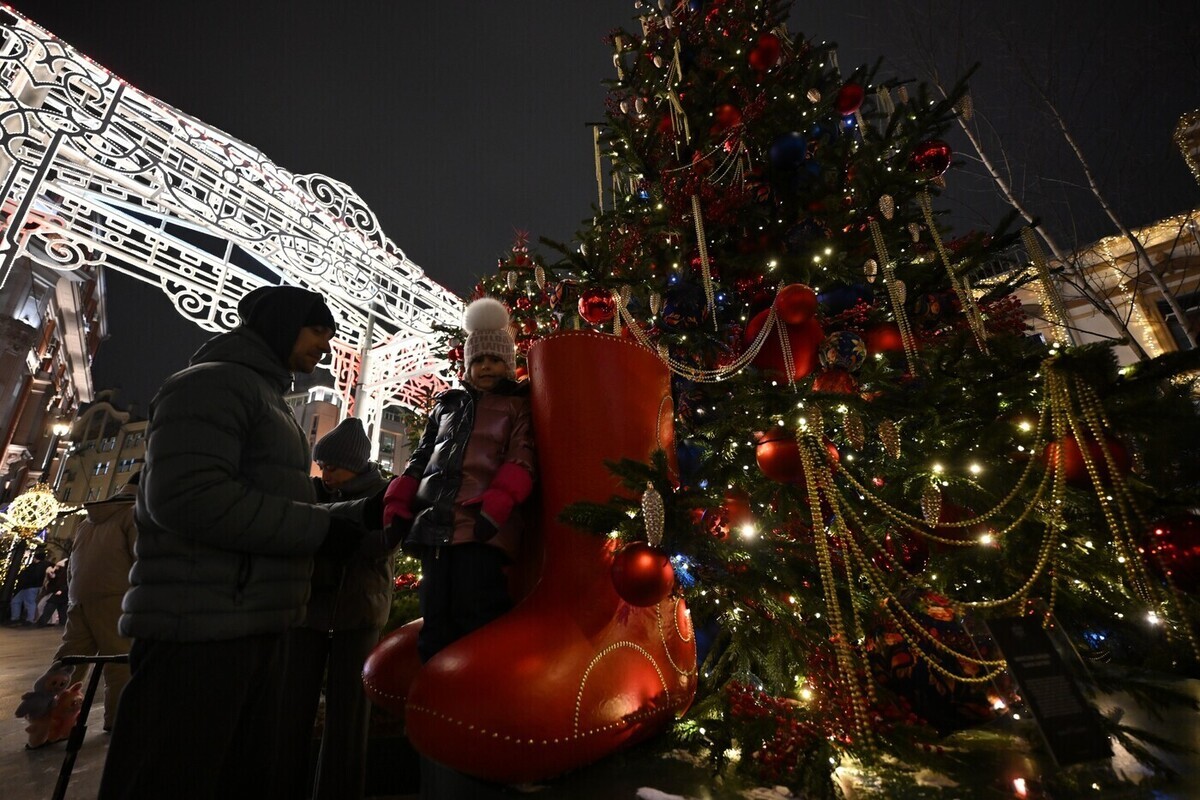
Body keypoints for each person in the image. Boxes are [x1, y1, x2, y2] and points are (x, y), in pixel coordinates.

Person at [98, 285, 384, 800]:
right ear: (281, 323)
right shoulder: (213, 385)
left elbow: (268, 502)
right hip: (199, 629)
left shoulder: (264, 397)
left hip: (248, 620)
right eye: (318, 330)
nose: (327, 345)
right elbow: (190, 499)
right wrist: (323, 529)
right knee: (170, 777)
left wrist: (358, 514)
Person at [384, 297, 536, 662]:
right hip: (434, 525)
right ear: (467, 365)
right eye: (478, 359)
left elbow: (522, 456)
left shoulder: (517, 405)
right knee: (435, 616)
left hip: (480, 526)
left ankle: (481, 699)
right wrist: (398, 500)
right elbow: (421, 457)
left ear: (509, 364)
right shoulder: (447, 405)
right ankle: (430, 702)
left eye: (495, 359)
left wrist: (498, 503)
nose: (486, 367)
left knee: (478, 612)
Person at [277, 417, 394, 800]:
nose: (326, 474)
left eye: (333, 466)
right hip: (309, 612)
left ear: (356, 464)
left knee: (349, 718)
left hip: (358, 613)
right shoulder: (312, 492)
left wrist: (328, 533)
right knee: (292, 708)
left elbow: (382, 544)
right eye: (322, 466)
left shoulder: (383, 494)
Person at [49, 472, 139, 731]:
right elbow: (140, 557)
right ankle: (118, 722)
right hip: (116, 596)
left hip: (79, 597)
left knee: (69, 660)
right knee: (121, 663)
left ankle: (52, 720)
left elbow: (71, 565)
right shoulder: (133, 513)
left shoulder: (88, 521)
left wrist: (73, 593)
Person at [8, 548, 50, 626]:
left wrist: (25, 579)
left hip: (30, 586)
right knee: (19, 601)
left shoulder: (37, 566)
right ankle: (21, 618)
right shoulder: (42, 565)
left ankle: (25, 619)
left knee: (27, 602)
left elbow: (34, 576)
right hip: (29, 586)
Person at [35, 557, 69, 626]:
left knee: (50, 608)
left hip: (58, 593)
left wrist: (60, 590)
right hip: (60, 594)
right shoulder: (61, 573)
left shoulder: (62, 573)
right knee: (60, 610)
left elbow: (64, 583)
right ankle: (45, 623)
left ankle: (42, 623)